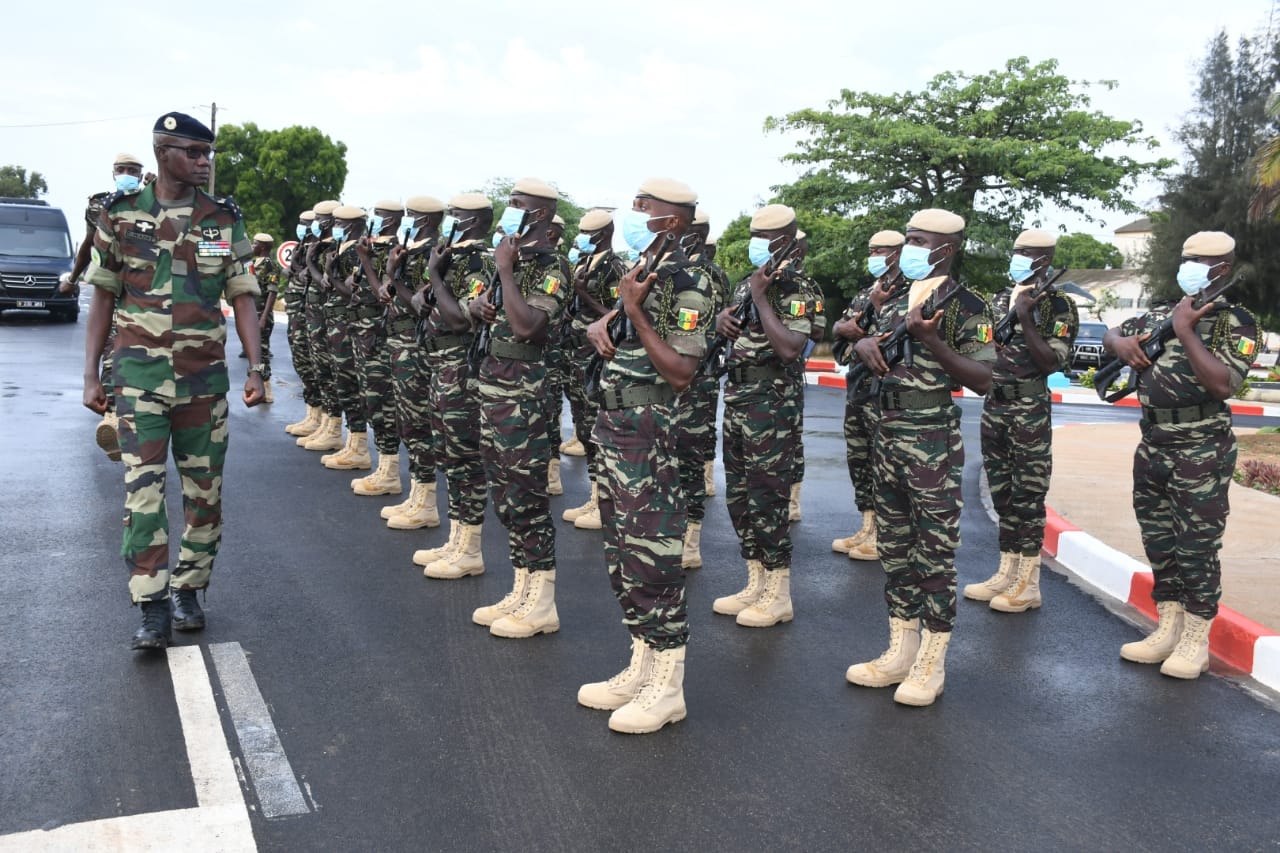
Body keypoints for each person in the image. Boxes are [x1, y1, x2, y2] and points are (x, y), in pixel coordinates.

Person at [81, 111, 264, 650]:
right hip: (138, 380)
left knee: (205, 497)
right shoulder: (120, 215)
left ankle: (188, 588)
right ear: (164, 154)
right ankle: (152, 605)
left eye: (208, 154)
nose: (204, 162)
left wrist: (256, 367)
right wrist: (91, 376)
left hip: (204, 382)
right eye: (194, 152)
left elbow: (242, 295)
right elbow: (103, 295)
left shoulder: (221, 220)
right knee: (143, 494)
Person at [845, 208, 994, 706]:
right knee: (894, 549)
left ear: (945, 249)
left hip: (931, 438)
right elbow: (860, 341)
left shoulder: (966, 305)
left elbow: (984, 379)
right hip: (885, 432)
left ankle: (932, 659)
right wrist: (865, 344)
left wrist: (931, 339)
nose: (907, 248)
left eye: (918, 241)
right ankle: (901, 648)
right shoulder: (895, 299)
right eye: (907, 239)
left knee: (933, 552)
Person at [579, 177, 712, 733]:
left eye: (644, 207)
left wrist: (632, 313)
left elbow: (681, 371)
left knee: (653, 558)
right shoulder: (642, 269)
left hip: (649, 436)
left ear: (673, 220)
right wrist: (606, 322)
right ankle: (641, 664)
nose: (632, 213)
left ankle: (668, 687)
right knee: (622, 556)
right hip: (615, 428)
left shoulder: (689, 280)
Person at [1103, 231, 1257, 679]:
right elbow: (1115, 331)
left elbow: (1224, 384)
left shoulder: (1236, 322)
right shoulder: (1160, 313)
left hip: (1201, 447)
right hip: (1153, 442)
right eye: (1185, 258)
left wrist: (1186, 330)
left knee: (1196, 547)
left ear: (1222, 269)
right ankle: (1168, 627)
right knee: (1159, 541)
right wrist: (1119, 344)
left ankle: (1196, 639)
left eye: (1198, 262)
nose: (1187, 267)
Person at [467, 178, 571, 638]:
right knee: (506, 498)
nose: (508, 209)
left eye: (517, 204)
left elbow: (529, 326)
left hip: (524, 396)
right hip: (495, 390)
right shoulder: (511, 259)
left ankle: (542, 602)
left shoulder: (552, 266)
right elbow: (498, 314)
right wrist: (478, 306)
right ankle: (522, 589)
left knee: (528, 498)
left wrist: (505, 272)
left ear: (541, 214)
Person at [965, 229, 1078, 612]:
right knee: (1002, 493)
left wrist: (1027, 319)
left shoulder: (1057, 306)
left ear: (1043, 260)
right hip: (994, 406)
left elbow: (1051, 362)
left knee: (1027, 495)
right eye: (1016, 251)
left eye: (1025, 253)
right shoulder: (999, 299)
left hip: (1028, 409)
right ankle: (1007, 571)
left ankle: (1028, 584)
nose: (1017, 258)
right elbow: (980, 346)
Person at [710, 204, 812, 628]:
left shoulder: (797, 288)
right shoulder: (747, 284)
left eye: (762, 238)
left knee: (768, 498)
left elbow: (790, 348)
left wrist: (759, 298)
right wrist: (722, 322)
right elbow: (733, 334)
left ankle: (778, 592)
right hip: (738, 398)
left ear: (784, 241)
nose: (754, 245)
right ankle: (755, 581)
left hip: (771, 404)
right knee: (739, 497)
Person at [410, 192, 495, 571]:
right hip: (440, 366)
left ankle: (470, 550)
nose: (449, 220)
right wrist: (425, 292)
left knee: (465, 460)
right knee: (449, 457)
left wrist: (433, 276)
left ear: (471, 221)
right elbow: (429, 304)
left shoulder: (478, 262)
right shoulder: (452, 259)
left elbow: (461, 320)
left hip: (461, 370)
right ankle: (456, 539)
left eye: (456, 215)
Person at [64, 152, 152, 462]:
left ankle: (136, 416)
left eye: (133, 170)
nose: (127, 174)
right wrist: (73, 279)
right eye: (121, 169)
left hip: (148, 293)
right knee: (113, 347)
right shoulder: (99, 204)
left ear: (141, 174)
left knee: (144, 356)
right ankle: (114, 417)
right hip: (112, 289)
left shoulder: (155, 200)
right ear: (113, 172)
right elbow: (89, 244)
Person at [831, 230, 906, 561]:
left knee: (884, 465)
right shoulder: (865, 295)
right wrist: (842, 329)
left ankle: (884, 534)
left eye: (881, 251)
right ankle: (867, 525)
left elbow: (885, 347)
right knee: (859, 461)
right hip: (858, 392)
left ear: (898, 254)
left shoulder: (910, 296)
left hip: (886, 397)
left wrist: (860, 333)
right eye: (871, 251)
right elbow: (841, 344)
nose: (874, 256)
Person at [377, 197, 446, 528]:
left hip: (416, 348)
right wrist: (391, 273)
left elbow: (419, 304)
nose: (406, 220)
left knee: (418, 425)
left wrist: (394, 277)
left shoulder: (433, 255)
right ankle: (418, 494)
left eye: (412, 216)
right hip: (400, 345)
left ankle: (426, 503)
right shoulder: (408, 251)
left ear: (427, 221)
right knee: (408, 423)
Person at [561, 208, 627, 531]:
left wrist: (584, 294)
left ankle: (605, 502)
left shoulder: (614, 269)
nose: (582, 238)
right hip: (576, 356)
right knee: (584, 428)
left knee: (598, 431)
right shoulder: (584, 264)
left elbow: (618, 316)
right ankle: (595, 495)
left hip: (596, 359)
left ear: (603, 235)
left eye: (588, 234)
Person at [349, 200, 418, 498]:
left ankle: (390, 472)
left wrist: (366, 262)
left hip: (386, 337)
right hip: (372, 334)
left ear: (390, 220)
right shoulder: (374, 247)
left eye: (378, 215)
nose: (373, 219)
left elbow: (383, 294)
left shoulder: (396, 251)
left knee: (386, 407)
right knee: (373, 403)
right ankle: (383, 466)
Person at [675, 206, 730, 569]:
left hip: (696, 375)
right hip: (675, 374)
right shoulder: (679, 271)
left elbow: (706, 326)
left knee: (688, 457)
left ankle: (690, 542)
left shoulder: (705, 275)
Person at [300, 200, 346, 452]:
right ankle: (324, 423)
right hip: (319, 315)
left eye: (319, 219)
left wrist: (310, 262)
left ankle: (333, 428)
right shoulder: (319, 245)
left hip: (330, 318)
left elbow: (326, 283)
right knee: (320, 371)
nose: (314, 224)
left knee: (332, 375)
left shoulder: (335, 249)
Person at [283, 210, 324, 436]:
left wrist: (303, 266)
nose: (301, 227)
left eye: (305, 224)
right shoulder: (302, 246)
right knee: (302, 363)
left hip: (311, 315)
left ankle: (323, 420)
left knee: (315, 366)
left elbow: (310, 276)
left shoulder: (318, 249)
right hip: (298, 313)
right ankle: (312, 414)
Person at [249, 233, 280, 403]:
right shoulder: (253, 263)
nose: (252, 246)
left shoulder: (270, 265)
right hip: (252, 313)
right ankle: (257, 386)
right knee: (254, 352)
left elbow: (272, 293)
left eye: (254, 244)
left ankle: (267, 390)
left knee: (263, 352)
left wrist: (263, 318)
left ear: (262, 247)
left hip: (262, 315)